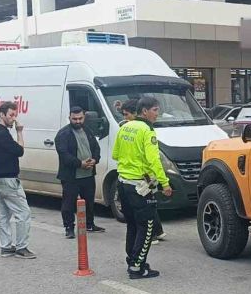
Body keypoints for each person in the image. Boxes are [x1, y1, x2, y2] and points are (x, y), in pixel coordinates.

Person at [112, 96, 173, 279]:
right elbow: (154, 160)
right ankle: (137, 268)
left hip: (123, 183)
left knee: (132, 225)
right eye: (155, 110)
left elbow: (115, 154)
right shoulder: (147, 131)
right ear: (144, 111)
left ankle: (132, 260)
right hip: (140, 186)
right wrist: (165, 183)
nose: (157, 114)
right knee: (146, 227)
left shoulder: (125, 127)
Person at [0, 101, 35, 259]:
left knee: (4, 214)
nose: (14, 119)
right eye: (11, 115)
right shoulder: (2, 134)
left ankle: (6, 247)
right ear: (2, 115)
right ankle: (21, 247)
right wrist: (20, 132)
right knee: (24, 213)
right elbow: (19, 151)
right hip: (8, 179)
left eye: (15, 115)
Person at [54, 106, 104, 239]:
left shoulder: (87, 130)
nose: (77, 121)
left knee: (89, 201)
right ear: (69, 118)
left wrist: (94, 160)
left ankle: (90, 224)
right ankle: (69, 228)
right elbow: (64, 154)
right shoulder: (63, 134)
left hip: (88, 174)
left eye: (80, 118)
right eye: (74, 119)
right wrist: (80, 163)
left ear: (84, 117)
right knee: (68, 203)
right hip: (71, 176)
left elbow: (96, 148)